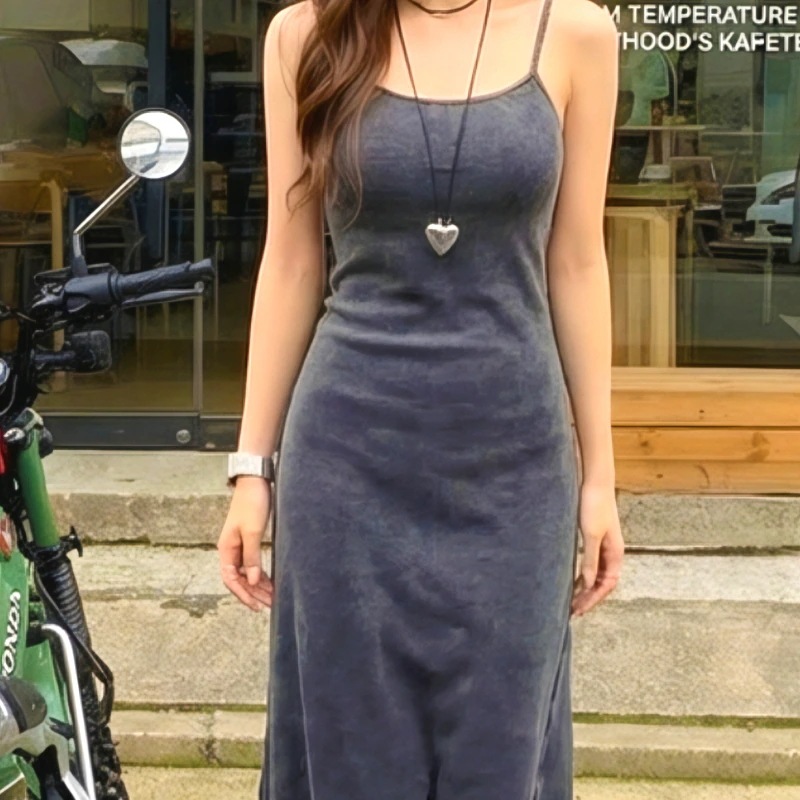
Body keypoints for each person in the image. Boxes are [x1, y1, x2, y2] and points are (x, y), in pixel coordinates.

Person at [217, 0, 624, 797]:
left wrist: (600, 478)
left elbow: (578, 261)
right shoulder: (306, 33)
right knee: (351, 740)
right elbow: (291, 261)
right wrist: (250, 470)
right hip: (347, 460)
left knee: (502, 738)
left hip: (515, 461)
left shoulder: (577, 33)